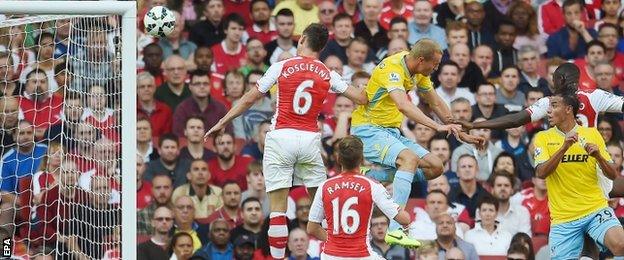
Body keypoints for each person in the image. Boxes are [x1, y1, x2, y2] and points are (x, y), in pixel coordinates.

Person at [204, 23, 367, 259]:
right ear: (321, 47)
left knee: (278, 208)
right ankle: (343, 252)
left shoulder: (281, 66)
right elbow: (360, 98)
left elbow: (250, 98)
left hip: (281, 137)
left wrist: (222, 121)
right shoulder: (327, 73)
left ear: (301, 40)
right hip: (310, 139)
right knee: (323, 208)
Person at [349, 38, 482, 243]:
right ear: (421, 60)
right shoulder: (392, 69)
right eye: (435, 64)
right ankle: (395, 229)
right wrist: (436, 126)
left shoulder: (417, 71)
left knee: (435, 167)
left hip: (391, 132)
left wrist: (459, 130)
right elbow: (403, 105)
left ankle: (373, 175)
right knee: (409, 159)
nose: (437, 68)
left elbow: (434, 100)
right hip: (368, 129)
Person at [456, 62, 624, 197]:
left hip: (562, 161)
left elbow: (515, 120)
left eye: (554, 78)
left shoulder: (550, 102)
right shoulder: (594, 96)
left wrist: (476, 124)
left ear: (560, 80)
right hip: (590, 156)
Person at [533, 93, 624, 258]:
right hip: (563, 219)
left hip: (595, 208)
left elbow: (612, 175)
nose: (548, 111)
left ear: (568, 109)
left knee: (621, 245)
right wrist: (564, 147)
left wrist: (599, 157)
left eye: (554, 105)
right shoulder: (543, 138)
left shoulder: (592, 134)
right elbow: (541, 173)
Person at [307, 136, 420, 259]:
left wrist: (337, 243)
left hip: (330, 255)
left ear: (338, 158)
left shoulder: (325, 186)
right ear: (361, 159)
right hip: (361, 255)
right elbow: (404, 219)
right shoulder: (372, 185)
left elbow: (312, 228)